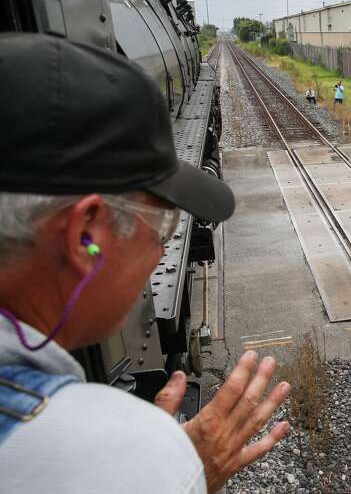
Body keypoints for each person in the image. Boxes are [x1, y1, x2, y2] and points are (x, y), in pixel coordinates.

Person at [0, 33, 289, 492]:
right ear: (86, 238)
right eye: (163, 230)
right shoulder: (92, 461)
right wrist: (176, 472)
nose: (161, 252)